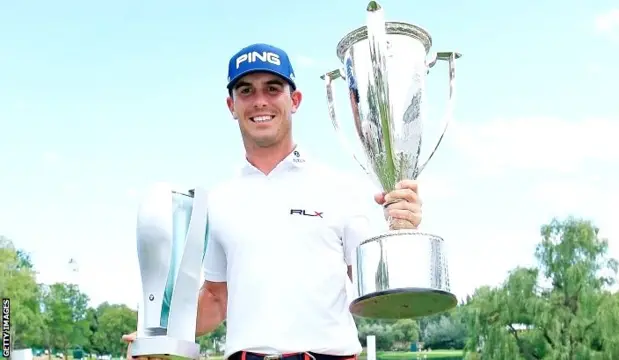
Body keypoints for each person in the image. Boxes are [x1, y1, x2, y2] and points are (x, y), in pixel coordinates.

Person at [123, 43, 423, 360]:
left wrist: (401, 233)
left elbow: (372, 288)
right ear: (231, 105)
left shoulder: (340, 188)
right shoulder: (219, 200)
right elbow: (216, 298)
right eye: (246, 91)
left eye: (272, 88)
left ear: (294, 100)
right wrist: (156, 338)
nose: (260, 101)